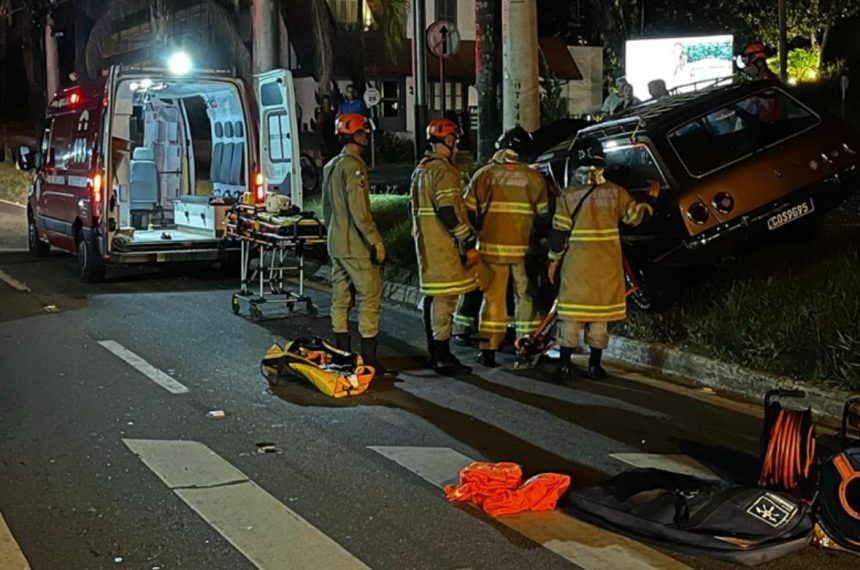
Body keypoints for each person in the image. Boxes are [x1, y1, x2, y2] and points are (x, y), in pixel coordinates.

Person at [547, 137, 653, 382]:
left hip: (577, 267)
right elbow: (637, 218)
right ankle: (595, 366)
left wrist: (553, 261)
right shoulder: (616, 193)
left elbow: (558, 236)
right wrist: (652, 200)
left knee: (571, 317)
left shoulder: (568, 196)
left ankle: (564, 365)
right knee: (599, 318)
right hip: (607, 267)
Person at [464, 126, 549, 367]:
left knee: (493, 300)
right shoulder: (534, 178)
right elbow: (544, 216)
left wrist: (475, 237)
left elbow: (467, 212)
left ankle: (488, 350)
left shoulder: (483, 175)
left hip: (491, 250)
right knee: (526, 297)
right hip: (524, 250)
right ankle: (526, 345)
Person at [321, 113, 394, 378]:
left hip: (336, 243)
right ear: (356, 136)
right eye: (364, 132)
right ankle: (370, 359)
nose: (366, 137)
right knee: (369, 298)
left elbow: (327, 209)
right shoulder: (354, 166)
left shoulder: (330, 166)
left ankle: (342, 356)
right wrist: (375, 241)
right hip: (355, 245)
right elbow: (360, 211)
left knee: (340, 299)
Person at [411, 117, 480, 375]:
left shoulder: (421, 169)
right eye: (455, 141)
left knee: (432, 299)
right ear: (448, 142)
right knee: (445, 300)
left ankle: (435, 352)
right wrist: (468, 240)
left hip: (427, 245)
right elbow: (449, 212)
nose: (457, 147)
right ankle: (442, 356)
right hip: (443, 247)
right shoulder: (444, 171)